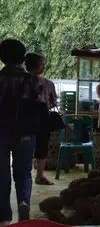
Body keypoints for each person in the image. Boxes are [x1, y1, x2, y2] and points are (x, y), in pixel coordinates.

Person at [0, 39, 42, 224]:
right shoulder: (32, 80)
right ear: (22, 57)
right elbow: (40, 104)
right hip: (25, 132)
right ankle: (24, 202)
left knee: (2, 174)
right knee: (24, 173)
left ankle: (4, 217)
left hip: (1, 132)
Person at [25, 52, 57, 186]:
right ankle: (39, 175)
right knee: (41, 144)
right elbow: (53, 102)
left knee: (31, 144)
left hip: (28, 114)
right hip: (40, 114)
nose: (43, 66)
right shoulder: (46, 83)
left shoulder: (24, 80)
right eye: (41, 63)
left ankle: (32, 175)